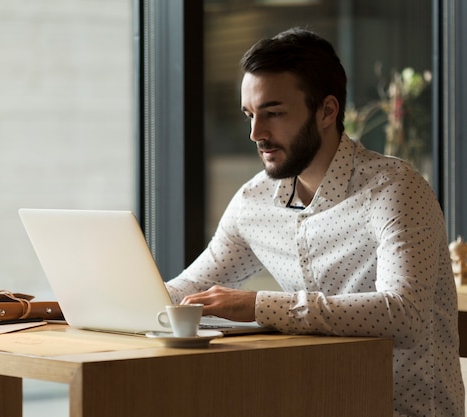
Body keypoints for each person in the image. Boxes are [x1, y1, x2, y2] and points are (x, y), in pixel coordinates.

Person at [165, 28, 464, 417]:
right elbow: (190, 288)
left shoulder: (395, 189)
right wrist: (70, 307)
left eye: (273, 113)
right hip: (313, 401)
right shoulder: (254, 202)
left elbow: (402, 314)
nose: (257, 134)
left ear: (327, 111)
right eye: (250, 115)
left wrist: (258, 305)